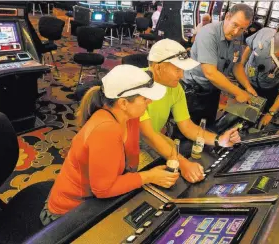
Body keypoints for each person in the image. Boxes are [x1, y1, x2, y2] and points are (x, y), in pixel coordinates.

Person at [40, 65, 179, 225]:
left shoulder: (130, 117)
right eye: (144, 98)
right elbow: (103, 189)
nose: (150, 101)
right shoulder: (106, 129)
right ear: (123, 103)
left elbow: (133, 159)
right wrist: (149, 176)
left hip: (95, 197)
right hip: (69, 211)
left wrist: (174, 157)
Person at [140, 39, 241, 183]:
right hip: (128, 146)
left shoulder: (175, 88)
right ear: (158, 67)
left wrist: (218, 140)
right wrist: (182, 163)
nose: (181, 75)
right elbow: (147, 135)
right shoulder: (136, 87)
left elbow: (187, 126)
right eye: (177, 69)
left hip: (152, 139)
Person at [182, 3, 257, 127]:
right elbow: (210, 73)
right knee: (189, 130)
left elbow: (236, 64)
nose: (236, 32)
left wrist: (247, 86)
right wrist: (238, 92)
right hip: (194, 90)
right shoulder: (208, 34)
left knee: (208, 125)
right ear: (227, 16)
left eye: (242, 28)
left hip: (215, 87)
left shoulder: (238, 35)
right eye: (235, 25)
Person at [241, 20, 279, 129]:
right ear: (276, 31)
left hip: (266, 91)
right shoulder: (263, 32)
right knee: (238, 113)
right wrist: (240, 65)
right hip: (246, 82)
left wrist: (270, 114)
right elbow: (249, 47)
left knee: (254, 121)